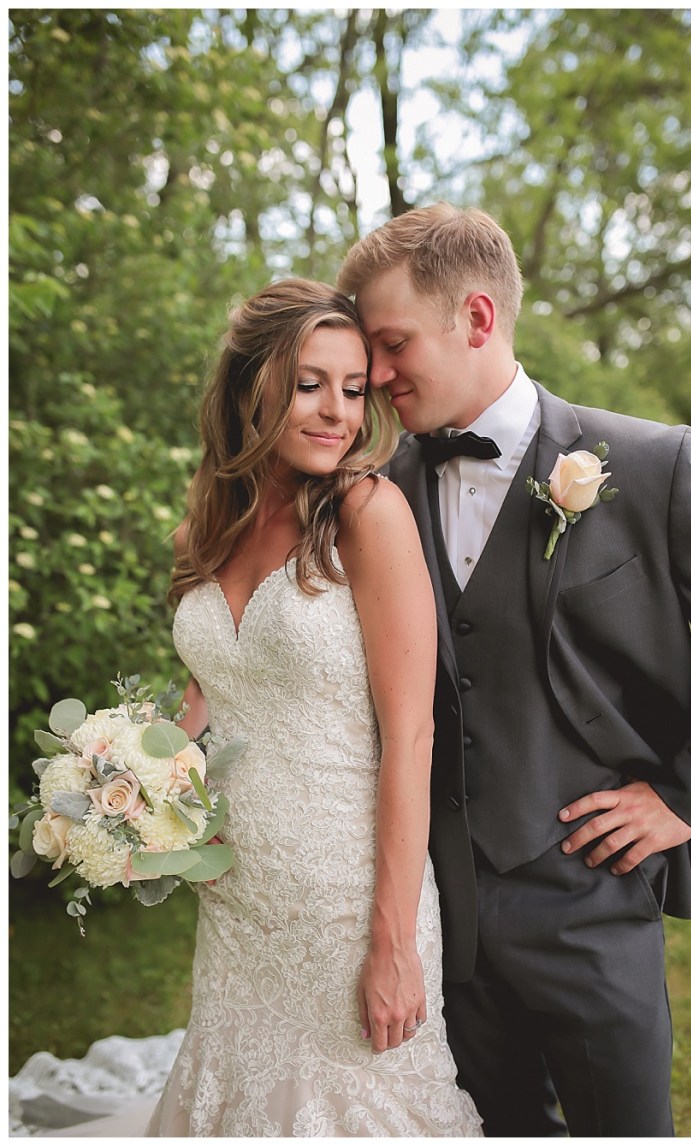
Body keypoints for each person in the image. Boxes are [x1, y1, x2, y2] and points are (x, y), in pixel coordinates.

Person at [337, 203, 691, 1138]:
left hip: (594, 900)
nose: (374, 374)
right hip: (441, 921)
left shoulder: (650, 467)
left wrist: (687, 797)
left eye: (393, 342)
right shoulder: (377, 492)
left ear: (477, 318)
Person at [138, 278, 482, 1136]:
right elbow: (210, 694)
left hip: (349, 899)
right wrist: (127, 794)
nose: (339, 412)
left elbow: (411, 736)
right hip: (237, 899)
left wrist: (394, 942)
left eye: (355, 388)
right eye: (309, 385)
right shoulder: (205, 533)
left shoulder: (368, 513)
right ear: (252, 385)